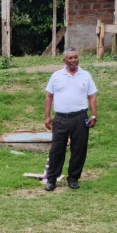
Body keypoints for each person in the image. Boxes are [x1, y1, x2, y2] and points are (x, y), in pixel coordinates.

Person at [44, 48, 98, 191]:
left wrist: (94, 115)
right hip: (61, 118)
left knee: (79, 149)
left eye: (75, 57)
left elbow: (92, 96)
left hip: (80, 118)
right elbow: (49, 96)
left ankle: (73, 178)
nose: (73, 60)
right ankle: (52, 180)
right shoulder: (56, 76)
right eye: (70, 58)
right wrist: (47, 116)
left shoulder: (86, 75)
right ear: (64, 60)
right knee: (57, 149)